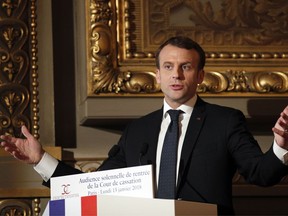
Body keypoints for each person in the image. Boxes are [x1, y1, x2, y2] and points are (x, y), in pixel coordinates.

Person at [1, 36, 288, 215]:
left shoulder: (225, 121)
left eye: (185, 67)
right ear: (157, 75)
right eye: (168, 67)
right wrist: (41, 160)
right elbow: (93, 187)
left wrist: (280, 146)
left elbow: (261, 174)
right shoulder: (138, 130)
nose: (176, 74)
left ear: (200, 76)